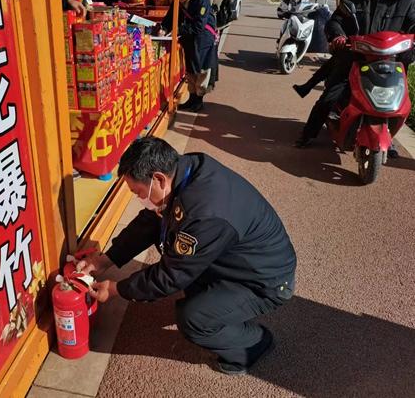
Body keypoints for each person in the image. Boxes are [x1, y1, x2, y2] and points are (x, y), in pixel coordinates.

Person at [78, 137, 297, 375]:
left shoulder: (205, 214)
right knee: (189, 276)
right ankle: (216, 301)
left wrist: (115, 289)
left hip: (266, 281)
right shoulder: (185, 170)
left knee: (193, 319)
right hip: (237, 260)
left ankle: (254, 342)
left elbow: (171, 276)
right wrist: (106, 259)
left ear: (159, 178)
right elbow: (150, 221)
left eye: (138, 192)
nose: (138, 198)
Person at [295, 0, 415, 148]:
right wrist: (338, 35)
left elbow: (413, 25)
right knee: (330, 96)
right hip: (354, 57)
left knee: (399, 102)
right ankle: (308, 133)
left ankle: (388, 137)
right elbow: (335, 21)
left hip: (388, 63)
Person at [159, 0, 219, 112]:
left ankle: (198, 100)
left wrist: (178, 31)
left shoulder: (201, 0)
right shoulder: (178, 1)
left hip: (203, 39)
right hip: (188, 39)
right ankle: (192, 98)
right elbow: (170, 17)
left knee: (201, 69)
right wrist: (163, 28)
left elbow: (199, 25)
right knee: (191, 68)